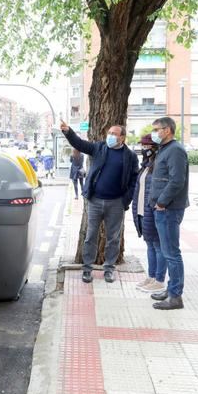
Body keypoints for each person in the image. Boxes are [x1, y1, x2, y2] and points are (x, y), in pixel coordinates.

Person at [60, 120, 139, 283]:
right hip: (95, 201)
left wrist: (125, 200)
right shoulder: (99, 147)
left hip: (116, 203)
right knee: (90, 236)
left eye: (114, 134)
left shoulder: (129, 156)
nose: (110, 136)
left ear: (122, 138)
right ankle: (87, 268)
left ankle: (109, 269)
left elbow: (134, 180)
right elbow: (79, 144)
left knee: (113, 238)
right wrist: (68, 131)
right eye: (109, 133)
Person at [148, 117, 189, 310]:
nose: (154, 133)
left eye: (157, 129)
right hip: (162, 208)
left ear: (168, 130)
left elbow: (176, 181)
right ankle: (170, 289)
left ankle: (175, 296)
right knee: (167, 251)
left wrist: (162, 202)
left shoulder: (175, 150)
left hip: (169, 209)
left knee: (172, 253)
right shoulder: (165, 149)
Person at [132, 134, 167, 294]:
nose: (144, 149)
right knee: (150, 245)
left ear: (155, 148)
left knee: (158, 246)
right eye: (143, 146)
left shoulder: (159, 165)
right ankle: (151, 277)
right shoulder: (145, 166)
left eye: (147, 146)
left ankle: (159, 280)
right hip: (142, 210)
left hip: (153, 210)